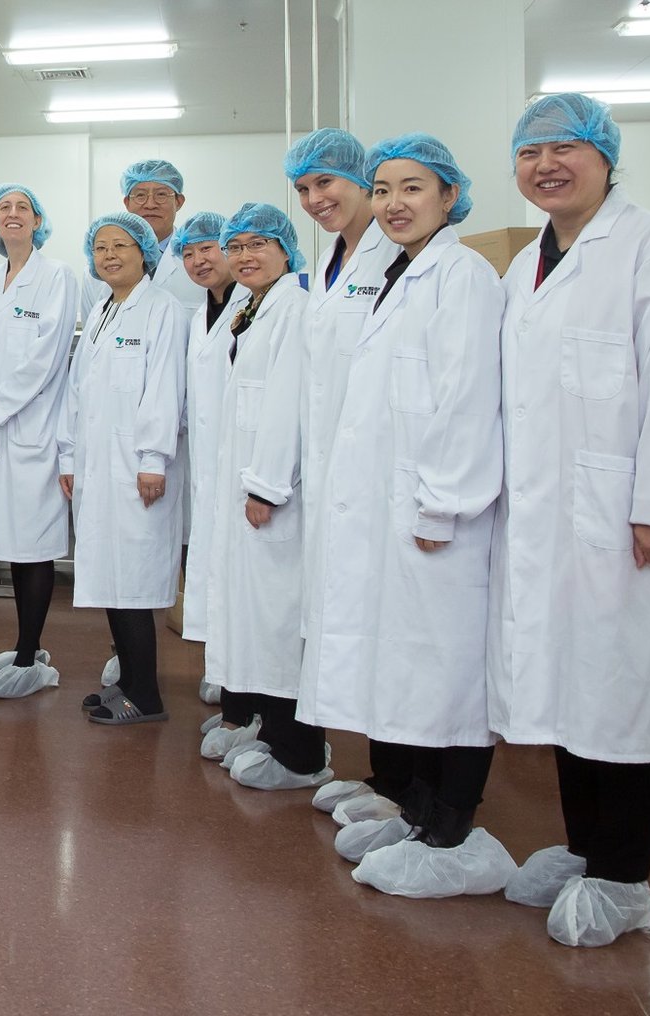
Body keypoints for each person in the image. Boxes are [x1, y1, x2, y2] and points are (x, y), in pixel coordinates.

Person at [296, 135, 513, 898]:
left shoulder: (464, 277)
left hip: (438, 514)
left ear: (450, 196)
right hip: (391, 508)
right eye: (383, 189)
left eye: (411, 188)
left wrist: (443, 503)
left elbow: (465, 399)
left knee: (445, 670)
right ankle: (417, 811)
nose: (393, 203)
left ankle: (453, 830)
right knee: (406, 666)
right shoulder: (393, 273)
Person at [490, 94, 650, 948]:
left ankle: (625, 875)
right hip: (544, 513)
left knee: (624, 688)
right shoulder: (527, 261)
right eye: (531, 153)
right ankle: (581, 846)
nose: (546, 165)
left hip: (625, 514)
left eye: (566, 148)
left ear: (606, 155)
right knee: (570, 684)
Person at [279, 128, 407, 819]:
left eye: (326, 183)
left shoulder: (395, 258)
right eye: (303, 189)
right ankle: (383, 776)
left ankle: (403, 786)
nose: (315, 199)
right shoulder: (331, 259)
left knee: (389, 630)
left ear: (361, 180)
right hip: (335, 475)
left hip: (382, 474)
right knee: (352, 626)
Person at [202, 203, 332, 791]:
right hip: (249, 485)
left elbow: (288, 403)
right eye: (238, 247)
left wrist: (267, 485)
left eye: (259, 244)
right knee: (255, 615)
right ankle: (270, 730)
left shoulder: (295, 309)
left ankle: (302, 753)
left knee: (280, 620)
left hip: (273, 493)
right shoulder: (249, 308)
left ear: (286, 250)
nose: (246, 256)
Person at [61, 212, 186, 724]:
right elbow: (78, 391)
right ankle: (129, 683)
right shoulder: (103, 313)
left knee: (133, 579)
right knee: (114, 577)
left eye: (121, 246)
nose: (109, 255)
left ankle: (147, 696)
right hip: (99, 466)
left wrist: (153, 460)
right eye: (101, 248)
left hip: (138, 469)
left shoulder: (164, 310)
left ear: (144, 253)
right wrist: (69, 455)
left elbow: (164, 390)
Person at [0, 184, 78, 699]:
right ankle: (23, 645)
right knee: (13, 543)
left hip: (35, 431)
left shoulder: (58, 277)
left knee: (35, 547)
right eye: (3, 208)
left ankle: (32, 657)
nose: (13, 215)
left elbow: (46, 358)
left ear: (37, 220)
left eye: (22, 208)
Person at [171, 212, 245, 714]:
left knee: (244, 582)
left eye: (208, 249)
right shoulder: (199, 315)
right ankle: (223, 672)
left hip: (245, 469)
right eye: (189, 253)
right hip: (209, 465)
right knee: (216, 572)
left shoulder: (257, 307)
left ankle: (244, 685)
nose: (198, 261)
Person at [82, 160, 201, 314]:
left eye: (161, 195)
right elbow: (93, 333)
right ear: (127, 202)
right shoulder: (98, 271)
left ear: (178, 201)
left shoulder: (201, 264)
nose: (150, 204)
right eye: (140, 195)